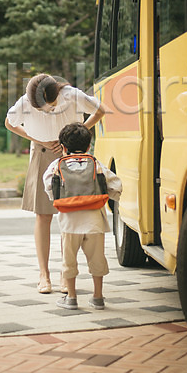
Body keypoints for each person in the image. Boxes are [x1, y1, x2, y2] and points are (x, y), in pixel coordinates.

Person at [5, 73, 106, 294]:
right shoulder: (25, 102)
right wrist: (38, 140)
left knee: (68, 215)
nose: (45, 111)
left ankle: (64, 273)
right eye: (40, 109)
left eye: (48, 107)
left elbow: (100, 110)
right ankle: (43, 275)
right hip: (42, 153)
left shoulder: (71, 95)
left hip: (70, 156)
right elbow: (9, 123)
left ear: (56, 95)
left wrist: (77, 133)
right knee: (43, 215)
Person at [43, 123, 122, 310]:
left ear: (63, 147)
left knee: (69, 260)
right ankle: (98, 297)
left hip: (69, 223)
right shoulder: (95, 163)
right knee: (97, 259)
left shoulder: (57, 165)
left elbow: (48, 186)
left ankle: (71, 298)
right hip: (94, 222)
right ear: (89, 146)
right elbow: (116, 185)